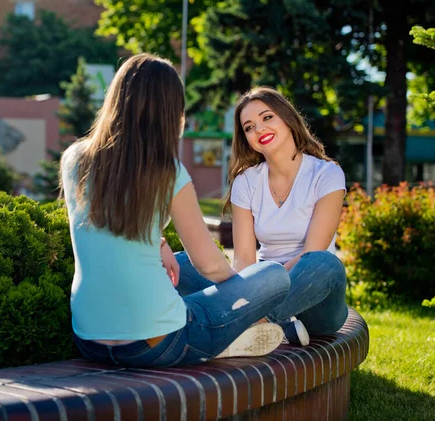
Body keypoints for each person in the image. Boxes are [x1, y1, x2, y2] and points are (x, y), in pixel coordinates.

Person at [60, 54, 291, 367]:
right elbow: (210, 266)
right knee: (272, 276)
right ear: (169, 113)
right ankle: (239, 330)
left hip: (89, 339)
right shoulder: (168, 172)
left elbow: (108, 222)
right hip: (156, 344)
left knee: (181, 266)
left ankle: (231, 330)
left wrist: (159, 242)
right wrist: (244, 292)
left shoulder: (74, 159)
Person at [223, 87, 349, 346]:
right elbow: (244, 259)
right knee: (185, 264)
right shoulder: (246, 182)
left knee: (324, 263)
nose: (259, 129)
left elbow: (313, 253)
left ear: (287, 119)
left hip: (315, 299)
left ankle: (246, 325)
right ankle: (272, 328)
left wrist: (270, 280)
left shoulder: (327, 175)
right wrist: (253, 286)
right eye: (249, 127)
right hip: (263, 288)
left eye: (267, 118)